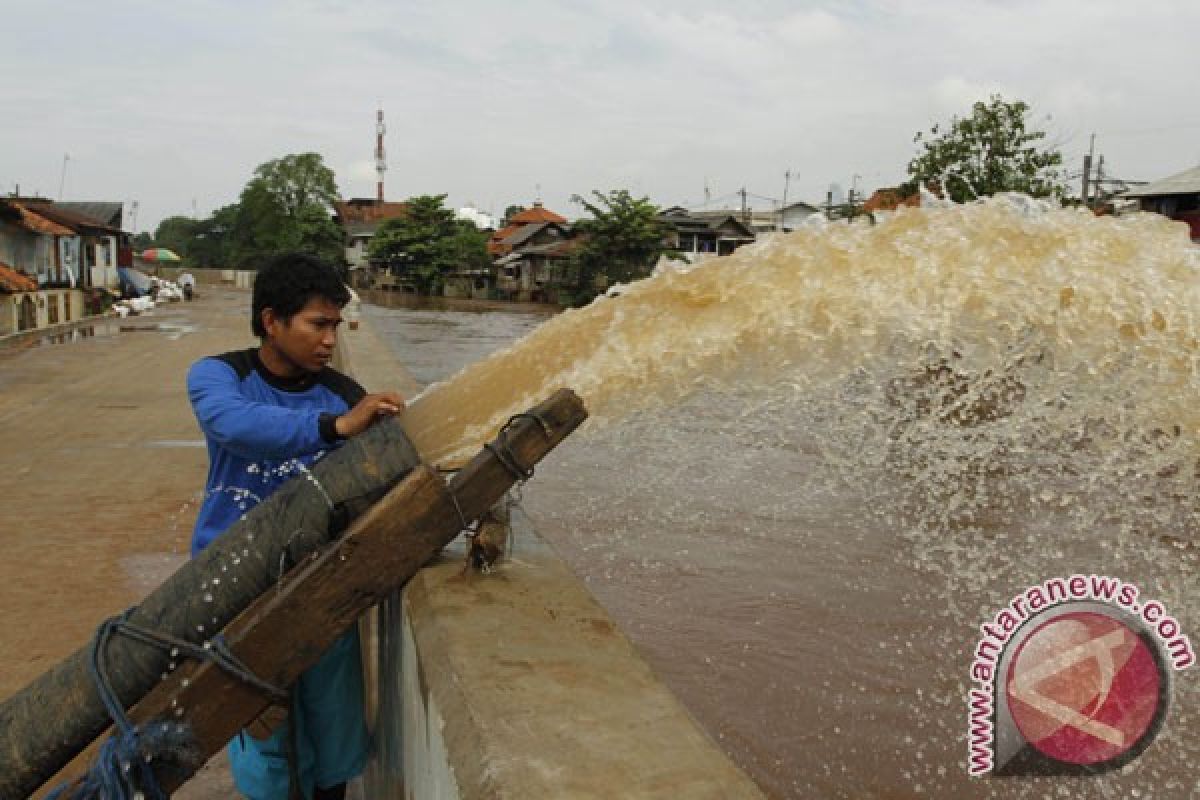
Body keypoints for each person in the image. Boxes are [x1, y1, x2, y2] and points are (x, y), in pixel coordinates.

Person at [187, 252, 404, 800]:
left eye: (335, 325)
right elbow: (234, 426)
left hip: (320, 582)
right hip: (234, 587)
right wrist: (334, 427)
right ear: (271, 321)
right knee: (262, 736)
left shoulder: (343, 393)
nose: (330, 339)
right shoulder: (219, 376)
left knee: (332, 729)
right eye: (317, 324)